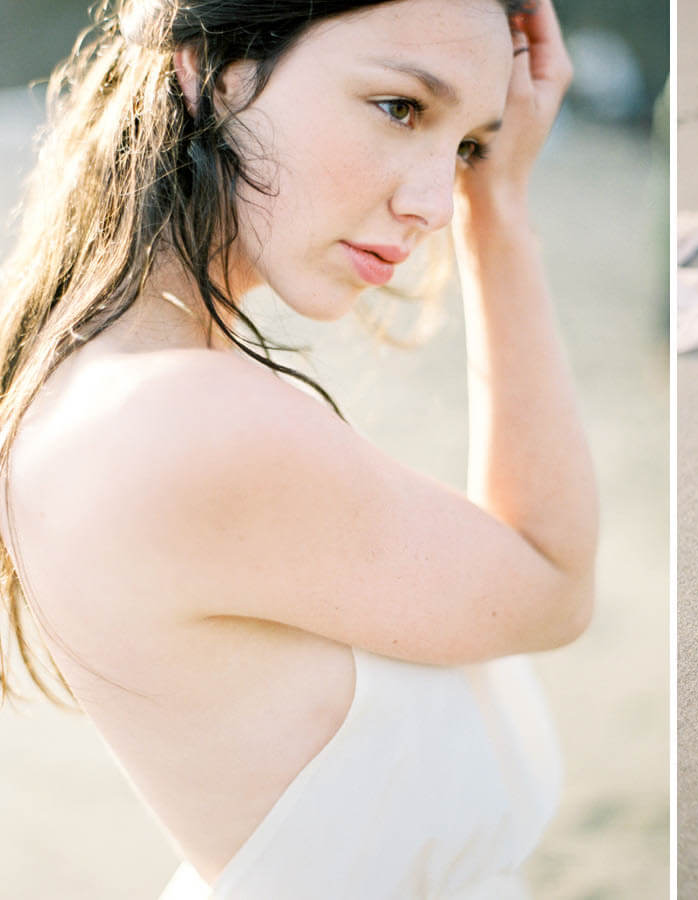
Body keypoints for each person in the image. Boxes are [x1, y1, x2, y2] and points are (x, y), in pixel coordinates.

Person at [0, 0, 596, 896]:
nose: (436, 203)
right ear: (210, 63)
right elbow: (552, 585)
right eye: (400, 108)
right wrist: (500, 212)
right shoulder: (193, 424)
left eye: (470, 147)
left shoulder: (92, 383)